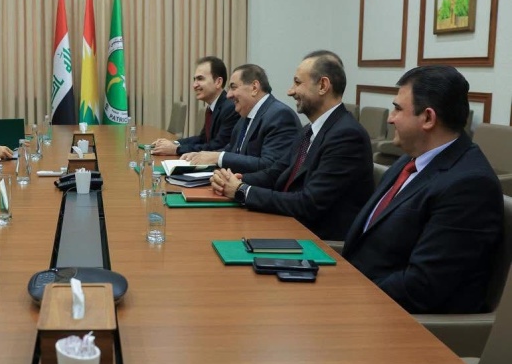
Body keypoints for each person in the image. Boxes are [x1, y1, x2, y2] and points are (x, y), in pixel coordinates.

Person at [343, 66, 502, 314]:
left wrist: (345, 293)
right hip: (360, 292)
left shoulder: (470, 185)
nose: (390, 118)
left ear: (428, 118)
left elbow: (421, 287)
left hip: (399, 319)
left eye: (398, 109)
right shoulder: (410, 160)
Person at [211, 50, 374, 241]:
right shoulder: (309, 131)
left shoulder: (347, 136)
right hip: (289, 225)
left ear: (323, 86)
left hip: (316, 241)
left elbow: (308, 203)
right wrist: (233, 180)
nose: (290, 91)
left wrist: (242, 191)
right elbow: (276, 172)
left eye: (297, 83)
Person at [181, 64, 300, 173]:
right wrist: (203, 156)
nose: (228, 95)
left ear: (254, 88)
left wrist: (218, 158)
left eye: (233, 87)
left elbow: (270, 165)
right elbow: (231, 149)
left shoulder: (280, 115)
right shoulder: (245, 116)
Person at [151, 56, 240, 155]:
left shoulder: (230, 108)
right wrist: (174, 143)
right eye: (195, 80)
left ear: (218, 82)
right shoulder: (212, 107)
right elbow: (202, 139)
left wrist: (177, 150)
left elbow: (217, 146)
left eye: (200, 79)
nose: (194, 85)